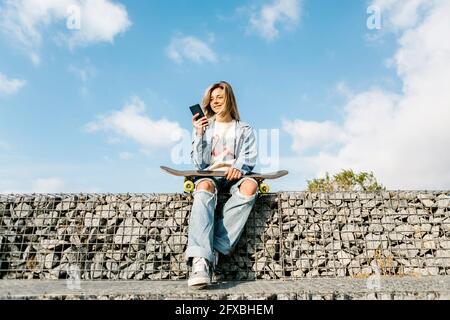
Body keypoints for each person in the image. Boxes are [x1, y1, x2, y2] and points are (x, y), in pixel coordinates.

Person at [186, 81, 258, 288]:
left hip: (235, 174)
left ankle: (214, 247)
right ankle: (200, 261)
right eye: (212, 98)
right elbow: (199, 163)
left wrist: (239, 167)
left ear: (229, 99)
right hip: (211, 174)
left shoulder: (244, 129)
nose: (215, 101)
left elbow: (249, 156)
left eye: (220, 97)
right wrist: (199, 134)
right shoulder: (205, 126)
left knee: (250, 186)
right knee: (203, 187)